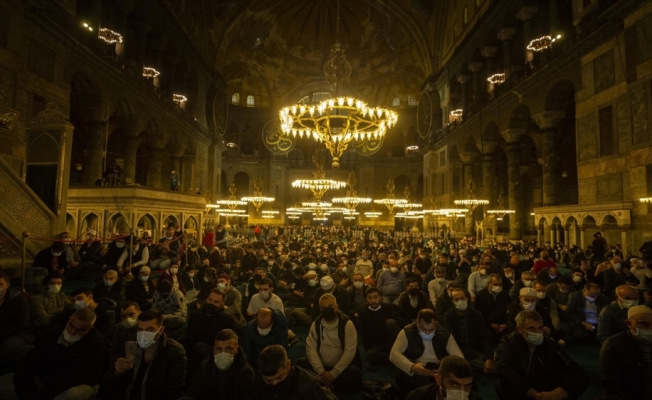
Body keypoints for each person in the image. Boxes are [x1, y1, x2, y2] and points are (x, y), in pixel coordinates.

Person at [8, 309, 107, 400]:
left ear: (90, 328)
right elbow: (31, 359)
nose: (72, 332)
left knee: (70, 395)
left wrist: (47, 393)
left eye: (80, 330)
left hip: (82, 382)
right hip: (53, 377)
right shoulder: (53, 334)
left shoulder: (96, 343)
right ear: (69, 319)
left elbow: (85, 375)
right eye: (71, 325)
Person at [494, 310, 589, 400]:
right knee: (502, 383)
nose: (537, 333)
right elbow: (501, 366)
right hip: (523, 388)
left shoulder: (548, 344)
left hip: (544, 385)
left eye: (540, 328)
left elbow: (576, 371)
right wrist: (532, 393)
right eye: (531, 328)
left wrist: (561, 392)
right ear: (519, 329)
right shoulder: (509, 342)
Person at [98, 310, 187, 400]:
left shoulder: (174, 352)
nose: (144, 334)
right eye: (140, 330)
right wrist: (116, 371)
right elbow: (112, 383)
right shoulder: (132, 345)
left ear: (160, 330)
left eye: (149, 329)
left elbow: (173, 392)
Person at [389, 309, 464, 395]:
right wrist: (411, 367)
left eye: (431, 330)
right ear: (417, 323)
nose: (427, 333)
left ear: (436, 324)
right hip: (416, 369)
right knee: (402, 369)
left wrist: (444, 370)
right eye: (423, 329)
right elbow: (393, 354)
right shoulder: (407, 332)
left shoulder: (445, 334)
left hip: (438, 369)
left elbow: (460, 358)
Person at [297, 294, 361, 393]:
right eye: (323, 308)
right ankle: (329, 385)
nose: (327, 310)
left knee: (354, 373)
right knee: (300, 364)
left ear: (336, 307)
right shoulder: (316, 324)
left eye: (330, 306)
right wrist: (321, 372)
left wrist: (333, 374)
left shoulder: (347, 324)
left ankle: (322, 385)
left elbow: (350, 352)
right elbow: (311, 349)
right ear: (320, 309)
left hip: (340, 369)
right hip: (321, 369)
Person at [184, 329, 255, 400]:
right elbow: (191, 393)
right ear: (214, 349)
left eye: (228, 349)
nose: (223, 353)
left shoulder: (246, 372)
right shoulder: (205, 367)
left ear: (237, 349)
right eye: (219, 349)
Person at [599, 305, 652, 400]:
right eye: (643, 324)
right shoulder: (614, 344)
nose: (650, 328)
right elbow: (609, 381)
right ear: (629, 324)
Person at [186, 288, 239, 377]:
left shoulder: (226, 319)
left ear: (222, 305)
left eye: (216, 302)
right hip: (193, 353)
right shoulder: (196, 316)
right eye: (210, 300)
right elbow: (190, 337)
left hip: (214, 353)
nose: (211, 303)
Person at [253, 344, 337, 400]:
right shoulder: (258, 379)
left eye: (280, 377)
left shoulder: (311, 386)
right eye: (268, 381)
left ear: (288, 365)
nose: (274, 383)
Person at [444, 288, 494, 373]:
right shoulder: (449, 316)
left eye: (462, 298)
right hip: (458, 351)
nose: (460, 301)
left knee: (493, 362)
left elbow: (484, 337)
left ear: (467, 298)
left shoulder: (477, 315)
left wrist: (489, 358)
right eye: (456, 299)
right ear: (452, 301)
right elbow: (451, 340)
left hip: (475, 351)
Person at [357, 287, 410, 365]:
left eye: (375, 297)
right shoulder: (362, 311)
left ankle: (398, 354)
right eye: (370, 298)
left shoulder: (391, 308)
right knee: (370, 355)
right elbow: (363, 332)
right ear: (366, 299)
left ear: (380, 298)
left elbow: (405, 322)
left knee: (390, 322)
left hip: (393, 342)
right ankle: (395, 358)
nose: (373, 300)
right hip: (378, 345)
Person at [406, 355, 482, 400]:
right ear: (438, 380)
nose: (462, 392)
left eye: (467, 386)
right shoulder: (417, 397)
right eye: (454, 384)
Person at [0, 270, 31, 368]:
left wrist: (2, 332)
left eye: (0, 284)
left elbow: (23, 323)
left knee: (10, 348)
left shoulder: (18, 300)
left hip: (14, 334)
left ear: (7, 285)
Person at [474, 274, 511, 346]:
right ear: (488, 284)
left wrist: (506, 324)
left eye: (500, 285)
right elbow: (478, 314)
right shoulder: (480, 295)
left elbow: (510, 311)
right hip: (487, 325)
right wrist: (490, 325)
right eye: (495, 284)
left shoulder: (505, 294)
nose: (498, 287)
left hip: (503, 325)